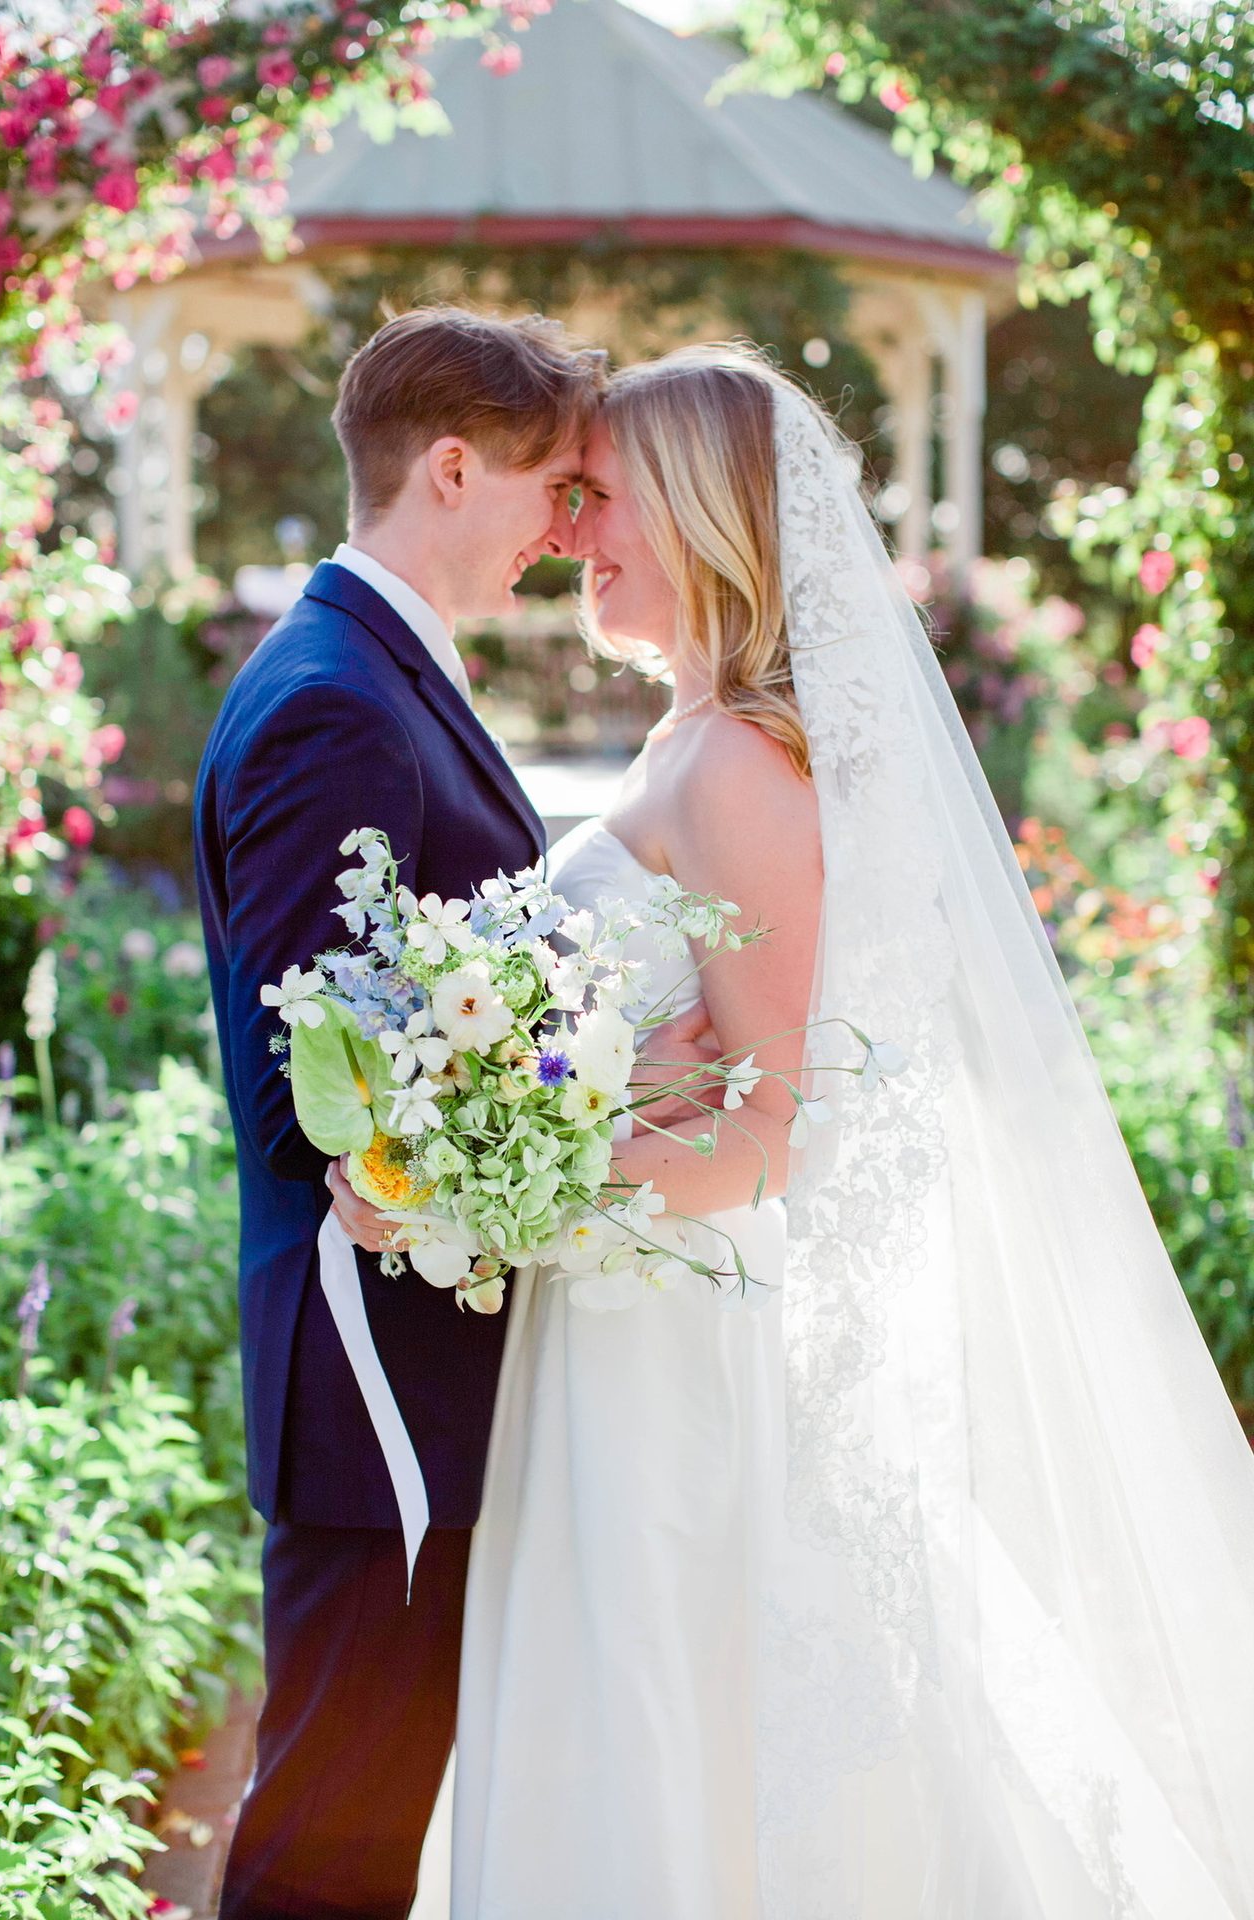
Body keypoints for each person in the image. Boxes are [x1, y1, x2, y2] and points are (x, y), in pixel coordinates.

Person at [442, 345, 1254, 1918]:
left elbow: (789, 1126)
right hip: (619, 1318)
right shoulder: (693, 744)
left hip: (675, 1336)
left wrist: (525, 1191)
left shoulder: (738, 763)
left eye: (603, 496)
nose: (576, 531)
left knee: (683, 1731)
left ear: (701, 513)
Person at [193, 306, 607, 1920]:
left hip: (411, 1351)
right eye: (552, 489)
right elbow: (323, 1088)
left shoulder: (365, 670)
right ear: (451, 468)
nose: (565, 530)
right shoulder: (334, 702)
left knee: (367, 1799)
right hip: (375, 1359)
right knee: (337, 1826)